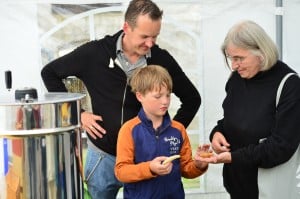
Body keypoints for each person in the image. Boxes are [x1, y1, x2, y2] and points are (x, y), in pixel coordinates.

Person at [41, 0, 201, 198]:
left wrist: (168, 135)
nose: (150, 44)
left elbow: (192, 99)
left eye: (155, 36)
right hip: (102, 157)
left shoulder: (162, 58)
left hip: (145, 162)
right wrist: (77, 114)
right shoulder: (94, 53)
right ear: (126, 27)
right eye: (144, 36)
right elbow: (49, 73)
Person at [195, 20, 300, 199]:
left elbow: (281, 146)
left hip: (268, 191)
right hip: (237, 185)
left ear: (261, 52)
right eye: (231, 58)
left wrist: (232, 158)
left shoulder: (289, 85)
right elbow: (230, 119)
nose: (234, 65)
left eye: (239, 58)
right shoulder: (237, 78)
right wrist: (217, 133)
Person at [114, 65, 209, 199]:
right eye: (157, 96)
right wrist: (150, 168)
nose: (165, 101)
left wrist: (199, 165)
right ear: (140, 96)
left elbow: (186, 169)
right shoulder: (129, 130)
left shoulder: (178, 129)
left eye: (168, 95)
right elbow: (121, 172)